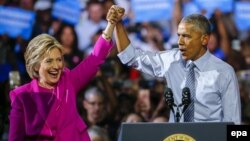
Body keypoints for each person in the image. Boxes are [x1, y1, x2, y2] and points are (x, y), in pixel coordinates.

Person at [109, 5, 241, 124]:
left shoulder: (224, 72)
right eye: (179, 36)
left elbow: (234, 123)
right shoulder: (171, 59)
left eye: (187, 36)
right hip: (176, 136)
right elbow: (130, 57)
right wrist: (118, 24)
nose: (180, 42)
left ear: (204, 39)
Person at [8, 6, 125, 141]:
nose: (56, 66)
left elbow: (94, 59)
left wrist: (110, 24)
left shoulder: (68, 80)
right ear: (36, 65)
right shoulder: (22, 96)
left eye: (59, 60)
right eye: (49, 61)